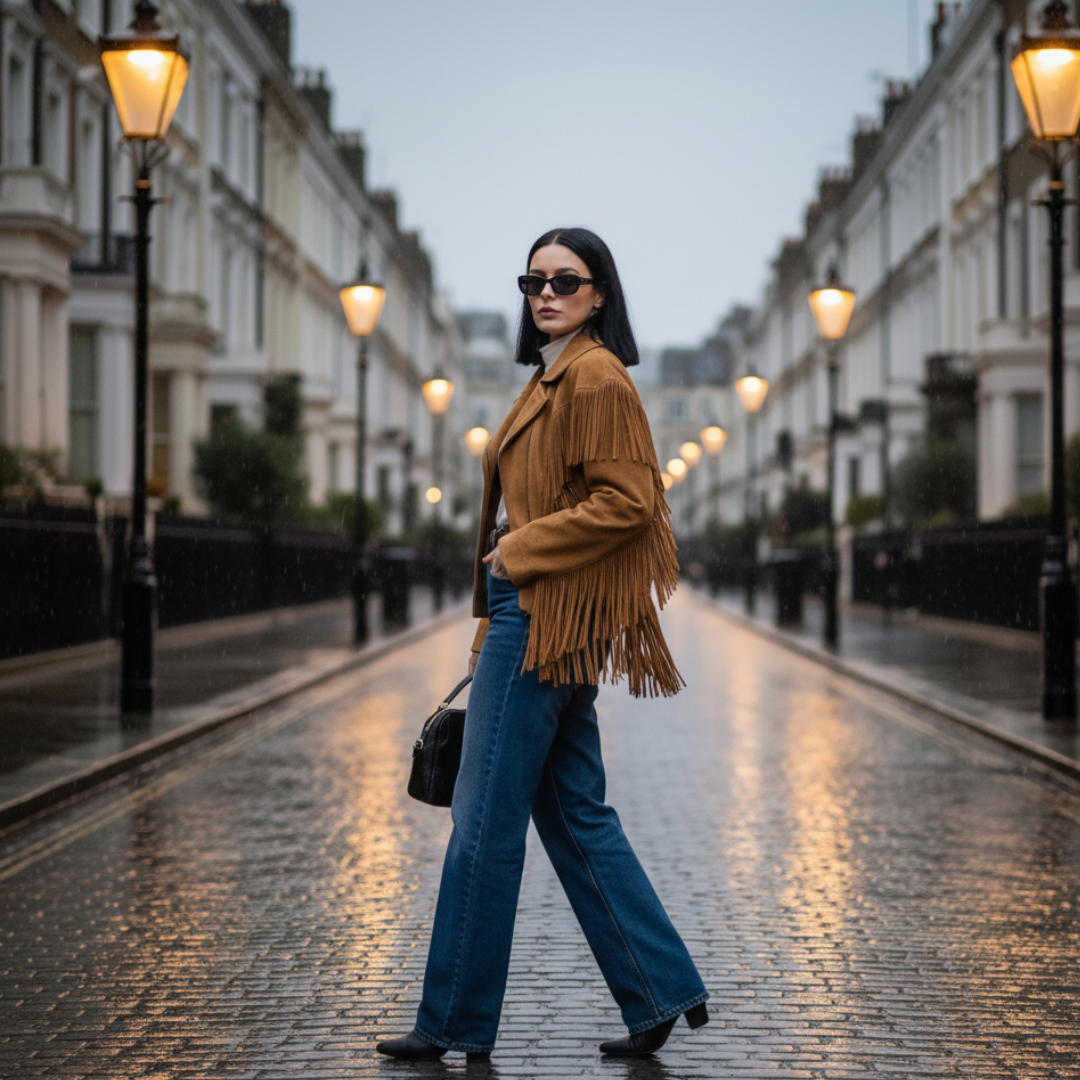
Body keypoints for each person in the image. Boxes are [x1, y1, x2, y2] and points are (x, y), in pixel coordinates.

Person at [376, 227, 708, 1061]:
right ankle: (659, 988)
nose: (546, 294)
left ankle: (452, 1020)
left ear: (599, 294)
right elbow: (521, 508)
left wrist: (518, 555)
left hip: (544, 617)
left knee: (484, 825)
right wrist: (488, 620)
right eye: (533, 282)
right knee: (575, 815)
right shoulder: (552, 375)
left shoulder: (594, 376)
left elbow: (628, 502)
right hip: (531, 616)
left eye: (565, 280)